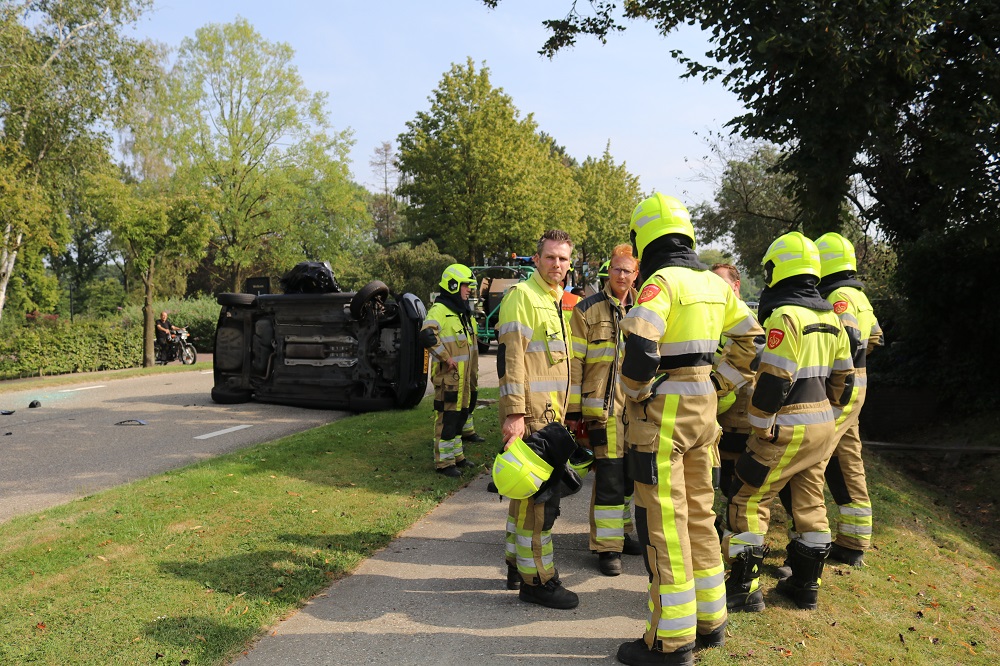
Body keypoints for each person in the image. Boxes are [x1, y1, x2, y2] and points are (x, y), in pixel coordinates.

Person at [616, 194, 762, 666]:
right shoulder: (713, 284)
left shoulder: (661, 282)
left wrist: (636, 393)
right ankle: (711, 621)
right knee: (701, 514)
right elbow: (752, 340)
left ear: (645, 239)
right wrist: (720, 383)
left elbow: (639, 344)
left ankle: (670, 643)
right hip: (704, 409)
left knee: (663, 525)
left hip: (664, 413)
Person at [723, 232, 854, 615]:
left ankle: (744, 588)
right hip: (822, 425)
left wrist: (761, 425)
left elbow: (775, 379)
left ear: (777, 269)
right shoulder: (831, 314)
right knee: (811, 503)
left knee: (747, 498)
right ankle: (805, 586)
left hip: (786, 426)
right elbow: (844, 378)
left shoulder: (785, 316)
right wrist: (827, 410)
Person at [497, 229, 577, 609]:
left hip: (552, 416)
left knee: (524, 495)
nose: (556, 265)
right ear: (536, 258)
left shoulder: (559, 300)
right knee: (541, 503)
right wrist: (513, 415)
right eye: (550, 257)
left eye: (563, 259)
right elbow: (511, 361)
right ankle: (537, 580)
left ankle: (516, 565)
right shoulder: (523, 297)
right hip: (532, 417)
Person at [567, 243, 642, 577]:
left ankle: (623, 534)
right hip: (603, 408)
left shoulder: (648, 307)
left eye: (628, 270)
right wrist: (573, 411)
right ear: (608, 271)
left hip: (640, 409)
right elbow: (575, 363)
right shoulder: (586, 310)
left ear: (636, 274)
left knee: (630, 477)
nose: (621, 275)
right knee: (610, 475)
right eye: (616, 269)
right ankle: (607, 547)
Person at [814, 232, 884, 566]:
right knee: (848, 457)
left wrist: (835, 372)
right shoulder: (860, 295)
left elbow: (852, 338)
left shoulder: (839, 295)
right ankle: (854, 541)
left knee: (816, 455)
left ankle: (809, 540)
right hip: (859, 381)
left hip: (842, 383)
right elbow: (875, 337)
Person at [419, 264, 479, 478]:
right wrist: (446, 357)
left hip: (462, 379)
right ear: (453, 285)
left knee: (459, 417)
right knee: (447, 419)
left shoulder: (460, 311)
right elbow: (427, 335)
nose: (468, 290)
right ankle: (444, 463)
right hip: (449, 378)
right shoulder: (440, 310)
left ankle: (457, 457)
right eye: (465, 286)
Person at [709, 264, 763, 498]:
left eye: (721, 283)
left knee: (733, 476)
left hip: (737, 410)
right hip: (721, 406)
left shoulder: (742, 316)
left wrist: (717, 386)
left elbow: (748, 357)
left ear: (736, 285)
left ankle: (730, 525)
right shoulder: (718, 314)